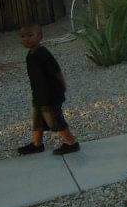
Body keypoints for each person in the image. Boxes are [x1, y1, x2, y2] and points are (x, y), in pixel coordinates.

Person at [17, 23, 80, 155]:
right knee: (38, 119)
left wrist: (62, 86)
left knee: (54, 119)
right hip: (39, 94)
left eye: (30, 35)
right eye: (23, 36)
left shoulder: (43, 53)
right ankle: (37, 144)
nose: (26, 39)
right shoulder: (31, 55)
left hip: (50, 95)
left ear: (40, 36)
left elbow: (57, 71)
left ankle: (71, 143)